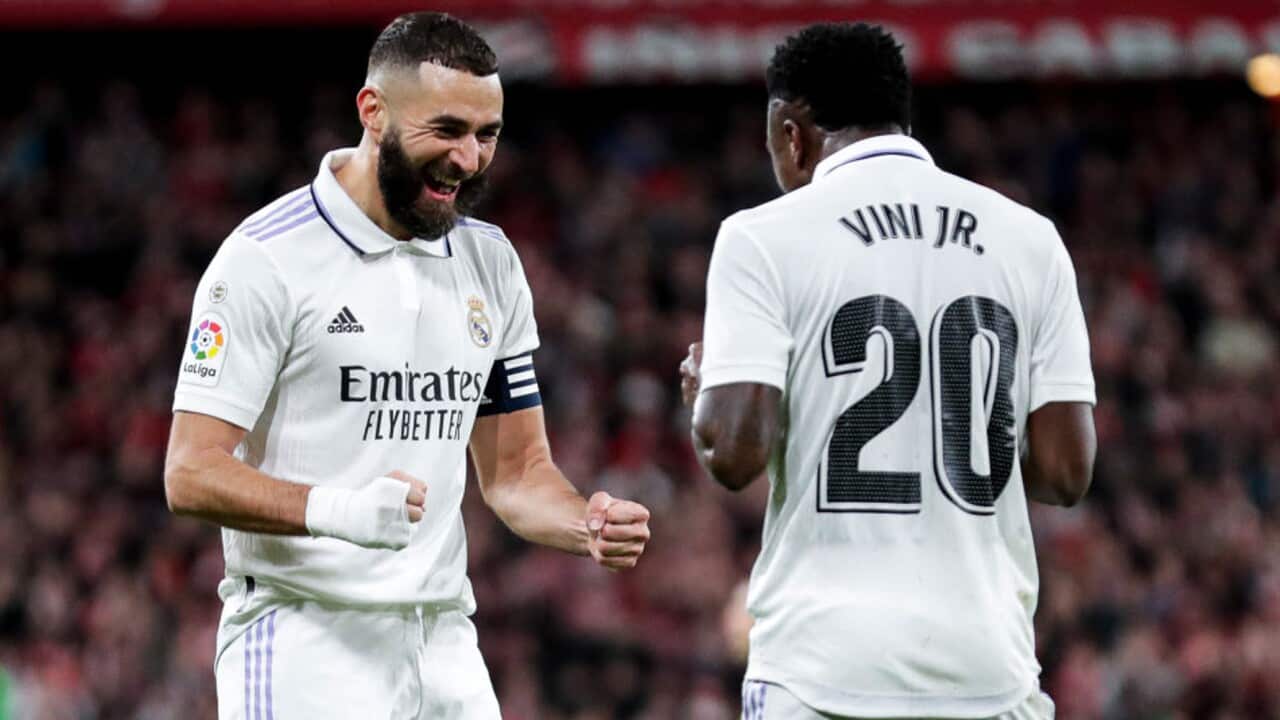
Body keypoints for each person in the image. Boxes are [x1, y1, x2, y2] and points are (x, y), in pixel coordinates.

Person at [163, 12, 651, 719]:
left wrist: (587, 525)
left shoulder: (490, 261)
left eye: (488, 136)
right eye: (447, 130)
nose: (469, 160)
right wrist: (337, 510)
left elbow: (516, 475)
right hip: (306, 638)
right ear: (373, 110)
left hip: (446, 642)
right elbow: (189, 471)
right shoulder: (266, 260)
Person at [680, 22, 1096, 720]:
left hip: (820, 671)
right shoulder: (1031, 240)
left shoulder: (762, 237)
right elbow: (1065, 472)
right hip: (987, 668)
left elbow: (735, 453)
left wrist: (702, 406)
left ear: (791, 132)